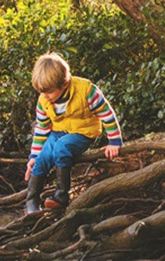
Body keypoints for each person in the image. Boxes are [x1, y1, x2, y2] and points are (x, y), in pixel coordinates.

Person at [24, 52, 122, 214]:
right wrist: (33, 157)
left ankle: (61, 197)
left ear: (63, 84)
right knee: (42, 159)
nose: (45, 96)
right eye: (41, 92)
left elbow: (107, 114)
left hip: (82, 133)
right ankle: (31, 202)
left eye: (48, 91)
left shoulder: (86, 90)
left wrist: (114, 142)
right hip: (57, 133)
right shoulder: (43, 100)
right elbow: (42, 129)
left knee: (62, 147)